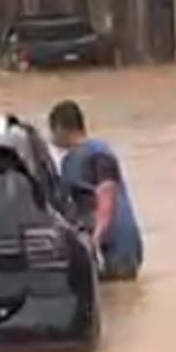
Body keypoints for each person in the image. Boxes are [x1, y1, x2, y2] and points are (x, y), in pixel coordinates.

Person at [48, 100, 144, 281]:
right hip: (119, 245)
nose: (52, 138)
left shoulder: (93, 155)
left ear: (60, 128)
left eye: (52, 131)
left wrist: (95, 240)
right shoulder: (89, 153)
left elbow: (106, 196)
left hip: (113, 246)